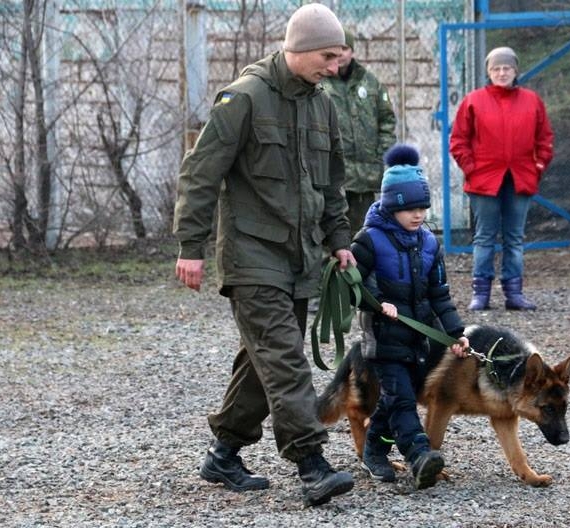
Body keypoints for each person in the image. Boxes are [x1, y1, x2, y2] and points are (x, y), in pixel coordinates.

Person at [173, 3, 356, 508]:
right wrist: (191, 246)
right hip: (251, 254)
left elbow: (333, 183)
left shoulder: (323, 105)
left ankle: (224, 452)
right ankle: (311, 463)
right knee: (284, 357)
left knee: (261, 360)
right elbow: (200, 173)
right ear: (297, 50)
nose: (334, 66)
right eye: (327, 56)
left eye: (339, 57)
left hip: (299, 257)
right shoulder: (245, 97)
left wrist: (339, 239)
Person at [350, 143, 470, 489]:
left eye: (422, 208)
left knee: (392, 401)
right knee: (403, 399)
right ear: (391, 206)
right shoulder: (369, 241)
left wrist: (455, 333)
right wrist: (375, 304)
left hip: (419, 340)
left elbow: (440, 294)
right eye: (410, 209)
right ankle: (419, 455)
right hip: (384, 342)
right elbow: (350, 287)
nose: (418, 215)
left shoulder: (430, 243)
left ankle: (375, 448)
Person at [449, 46, 554, 311]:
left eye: (506, 68)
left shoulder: (531, 101)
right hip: (484, 180)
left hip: (520, 178)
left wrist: (537, 166)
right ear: (488, 72)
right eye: (496, 68)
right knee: (484, 237)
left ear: (516, 70)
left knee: (514, 238)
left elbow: (545, 139)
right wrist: (471, 168)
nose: (502, 73)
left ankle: (514, 293)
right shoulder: (474, 100)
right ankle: (480, 294)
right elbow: (458, 140)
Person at [321, 28, 397, 236]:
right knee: (332, 229)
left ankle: (361, 269)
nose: (340, 54)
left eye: (345, 48)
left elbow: (387, 120)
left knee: (363, 232)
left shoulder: (370, 82)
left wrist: (381, 153)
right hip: (333, 173)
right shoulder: (321, 83)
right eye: (336, 50)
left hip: (365, 174)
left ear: (352, 51)